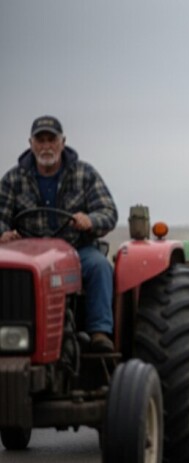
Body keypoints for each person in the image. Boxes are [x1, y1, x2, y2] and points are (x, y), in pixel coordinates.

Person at [0, 116, 118, 352]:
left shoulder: (84, 174)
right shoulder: (14, 179)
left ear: (62, 142)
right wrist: (3, 234)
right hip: (28, 255)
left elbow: (108, 212)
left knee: (100, 266)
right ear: (31, 143)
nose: (46, 146)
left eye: (51, 140)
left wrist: (90, 220)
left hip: (76, 250)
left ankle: (99, 331)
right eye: (40, 140)